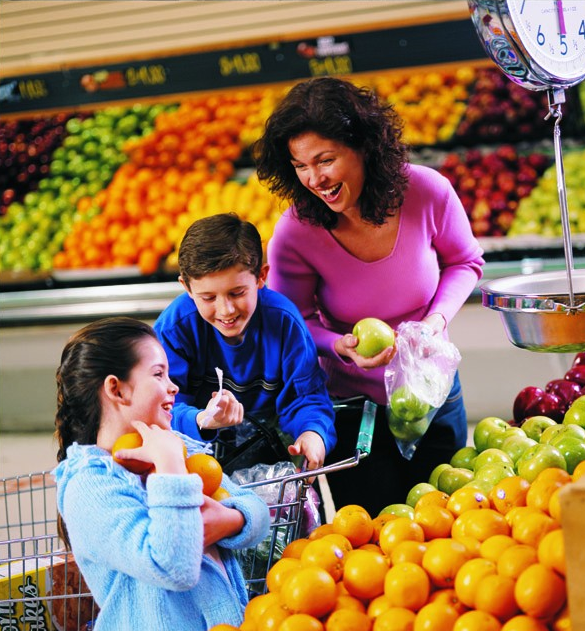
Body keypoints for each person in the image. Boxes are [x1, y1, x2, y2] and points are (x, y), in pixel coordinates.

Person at [253, 77, 485, 516]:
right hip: (353, 409)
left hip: (432, 391)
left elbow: (465, 262)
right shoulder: (295, 231)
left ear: (363, 146)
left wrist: (434, 323)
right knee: (372, 534)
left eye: (325, 160)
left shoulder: (426, 191)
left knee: (452, 522)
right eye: (300, 166)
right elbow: (292, 320)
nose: (314, 179)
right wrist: (337, 346)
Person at [53, 317, 270, 631]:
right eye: (158, 374)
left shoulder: (177, 448)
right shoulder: (90, 486)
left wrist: (231, 519)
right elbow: (172, 567)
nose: (174, 386)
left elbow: (259, 514)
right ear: (116, 389)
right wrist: (169, 468)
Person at [153, 213, 337, 473]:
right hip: (193, 466)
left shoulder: (284, 323)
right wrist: (201, 419)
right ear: (186, 287)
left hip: (273, 462)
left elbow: (306, 397)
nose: (226, 310)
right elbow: (159, 405)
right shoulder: (174, 329)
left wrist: (312, 434)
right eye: (208, 298)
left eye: (237, 293)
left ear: (261, 277)